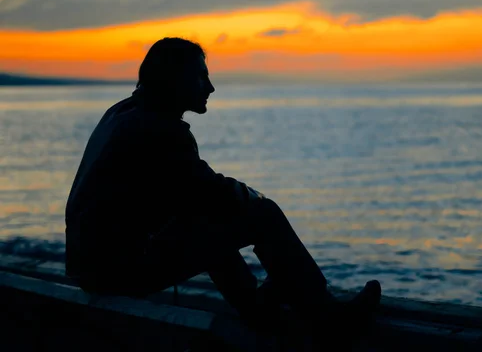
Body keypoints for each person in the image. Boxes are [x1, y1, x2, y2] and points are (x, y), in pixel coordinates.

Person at [65, 37, 381, 332]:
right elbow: (212, 192)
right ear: (175, 80)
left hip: (92, 267)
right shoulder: (159, 129)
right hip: (117, 271)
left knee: (206, 222)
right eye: (201, 77)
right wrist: (257, 198)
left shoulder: (123, 112)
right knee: (264, 214)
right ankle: (327, 316)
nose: (211, 87)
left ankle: (262, 311)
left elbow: (191, 197)